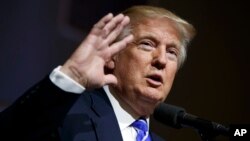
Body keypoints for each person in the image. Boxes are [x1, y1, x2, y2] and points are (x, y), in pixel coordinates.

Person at [0, 5, 195, 141]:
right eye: (146, 44)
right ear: (112, 56)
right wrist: (72, 75)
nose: (161, 60)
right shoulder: (69, 115)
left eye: (172, 53)